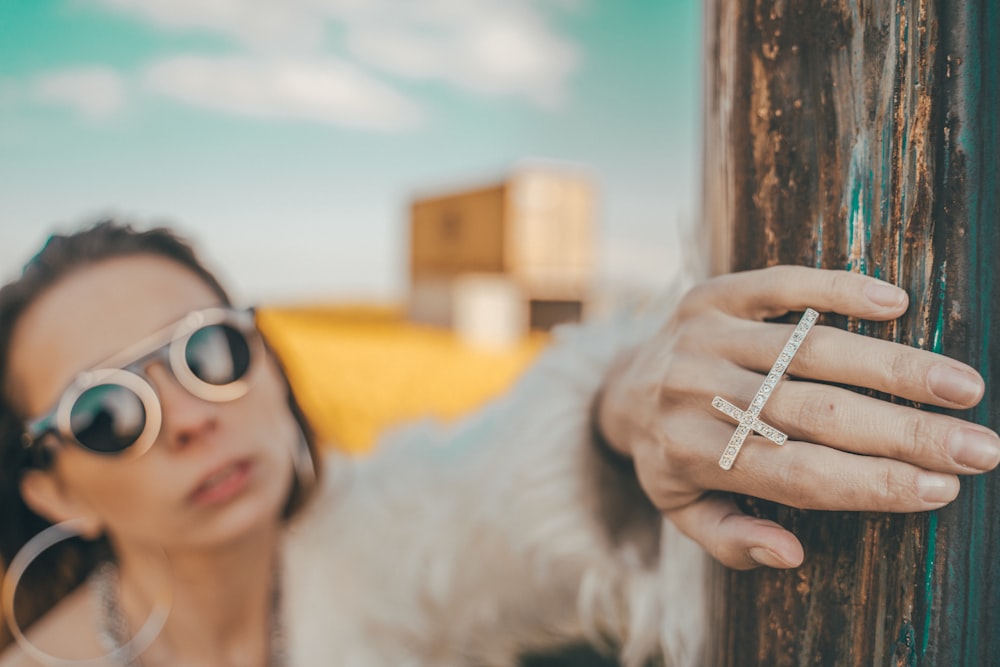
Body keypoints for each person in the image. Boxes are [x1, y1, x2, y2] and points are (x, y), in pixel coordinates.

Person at [0, 220, 994, 667]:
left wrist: (619, 408)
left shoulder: (379, 545)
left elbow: (494, 491)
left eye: (207, 350)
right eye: (106, 411)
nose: (187, 415)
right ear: (55, 492)